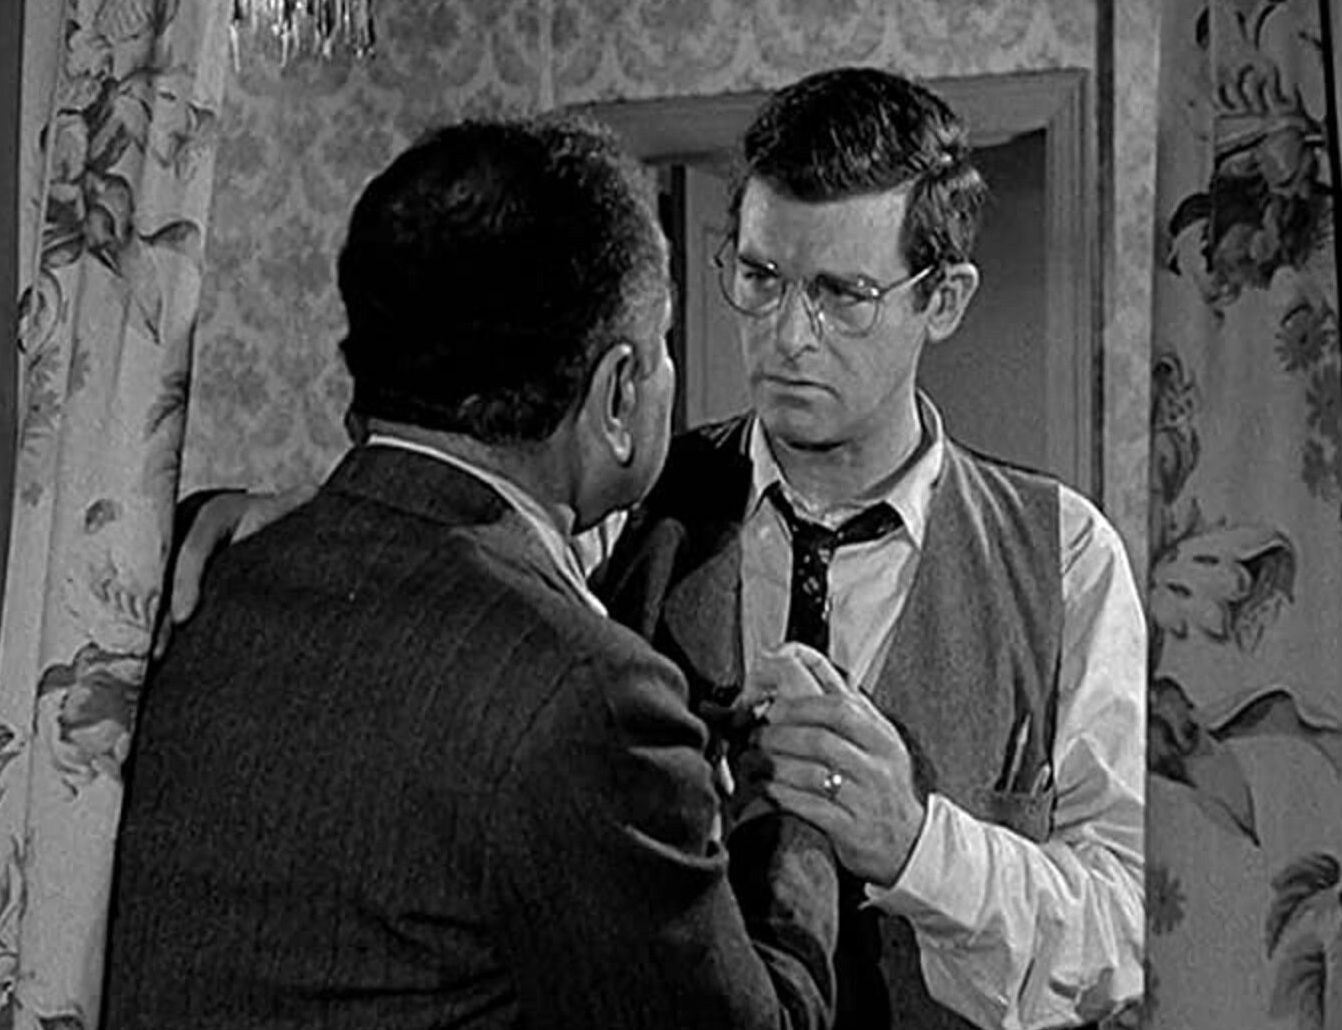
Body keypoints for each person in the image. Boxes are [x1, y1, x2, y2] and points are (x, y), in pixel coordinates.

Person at [169, 67, 1146, 1030]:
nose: (789, 336)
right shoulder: (619, 510)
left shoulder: (1064, 560)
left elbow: (1125, 941)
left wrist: (920, 847)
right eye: (760, 277)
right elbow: (457, 548)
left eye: (842, 294)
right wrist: (284, 514)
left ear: (945, 299)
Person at [102, 116, 840, 1030]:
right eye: (663, 342)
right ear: (618, 394)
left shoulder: (188, 581)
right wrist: (795, 816)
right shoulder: (594, 696)